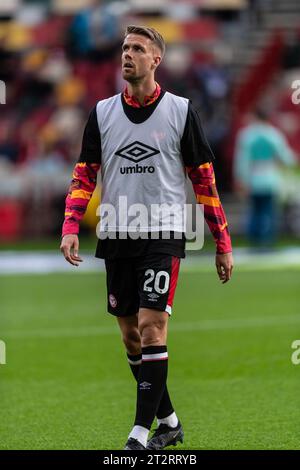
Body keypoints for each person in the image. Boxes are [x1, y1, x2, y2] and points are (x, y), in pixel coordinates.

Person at [60, 25, 233, 450]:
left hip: (165, 232)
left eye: (138, 48)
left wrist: (222, 242)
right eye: (124, 48)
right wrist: (69, 226)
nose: (127, 54)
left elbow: (204, 180)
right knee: (131, 335)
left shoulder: (179, 110)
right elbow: (85, 176)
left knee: (153, 327)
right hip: (118, 232)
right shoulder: (102, 113)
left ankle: (139, 434)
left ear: (156, 60)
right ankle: (170, 422)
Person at [234, 108, 296, 246]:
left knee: (254, 212)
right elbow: (287, 158)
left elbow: (242, 161)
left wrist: (241, 179)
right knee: (268, 213)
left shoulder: (247, 135)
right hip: (270, 178)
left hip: (253, 178)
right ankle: (267, 242)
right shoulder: (273, 134)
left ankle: (254, 243)